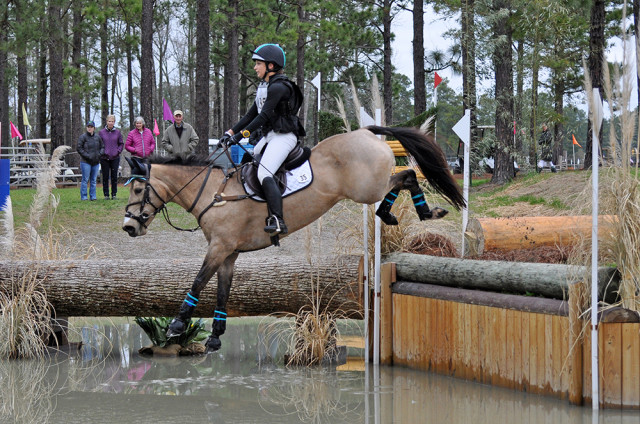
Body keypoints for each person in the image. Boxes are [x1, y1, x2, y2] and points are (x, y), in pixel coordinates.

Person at [219, 43, 305, 236]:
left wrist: (240, 137)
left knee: (264, 173)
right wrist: (230, 132)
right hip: (270, 137)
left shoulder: (280, 87)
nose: (255, 67)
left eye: (258, 63)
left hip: (284, 137)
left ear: (271, 66)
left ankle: (277, 220)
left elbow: (263, 117)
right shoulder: (265, 87)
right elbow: (250, 115)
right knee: (245, 162)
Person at [77, 121, 104, 201]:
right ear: (86, 128)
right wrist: (87, 156)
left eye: (91, 127)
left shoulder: (97, 137)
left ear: (94, 128)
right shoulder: (83, 137)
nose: (90, 128)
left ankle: (93, 196)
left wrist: (99, 154)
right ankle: (84, 197)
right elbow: (79, 148)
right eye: (88, 127)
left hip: (95, 162)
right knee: (85, 180)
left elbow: (102, 147)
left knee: (93, 180)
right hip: (86, 162)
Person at [99, 115, 124, 199]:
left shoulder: (117, 132)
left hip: (115, 158)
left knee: (114, 177)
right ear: (106, 122)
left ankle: (114, 194)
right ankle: (106, 194)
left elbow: (121, 143)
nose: (110, 123)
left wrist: (118, 151)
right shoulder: (101, 132)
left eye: (112, 121)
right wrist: (102, 153)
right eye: (109, 121)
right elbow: (99, 144)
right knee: (105, 177)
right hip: (104, 158)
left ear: (114, 122)